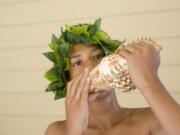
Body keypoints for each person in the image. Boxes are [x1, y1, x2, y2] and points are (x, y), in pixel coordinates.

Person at [44, 20, 180, 135]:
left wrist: (148, 80)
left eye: (97, 57)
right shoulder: (57, 131)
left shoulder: (153, 119)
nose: (91, 67)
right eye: (77, 63)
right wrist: (74, 130)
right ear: (67, 80)